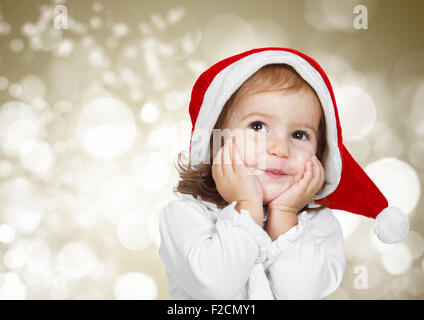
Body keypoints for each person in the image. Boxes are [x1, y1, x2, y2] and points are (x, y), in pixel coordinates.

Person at [158, 47, 409, 300]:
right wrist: (247, 207)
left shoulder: (320, 224)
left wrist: (285, 215)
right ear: (215, 141)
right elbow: (214, 287)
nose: (280, 148)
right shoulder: (184, 217)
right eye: (258, 126)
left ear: (320, 153)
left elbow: (301, 294)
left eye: (299, 134)